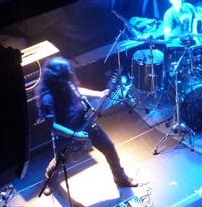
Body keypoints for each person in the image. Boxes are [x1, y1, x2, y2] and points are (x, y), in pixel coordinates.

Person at [39, 57, 137, 196]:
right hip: (67, 134)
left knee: (109, 148)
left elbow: (76, 89)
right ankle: (49, 181)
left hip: (85, 122)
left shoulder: (65, 82)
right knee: (59, 162)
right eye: (67, 72)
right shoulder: (48, 98)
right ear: (56, 76)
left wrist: (99, 94)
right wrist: (75, 135)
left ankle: (120, 178)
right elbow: (52, 126)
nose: (70, 73)